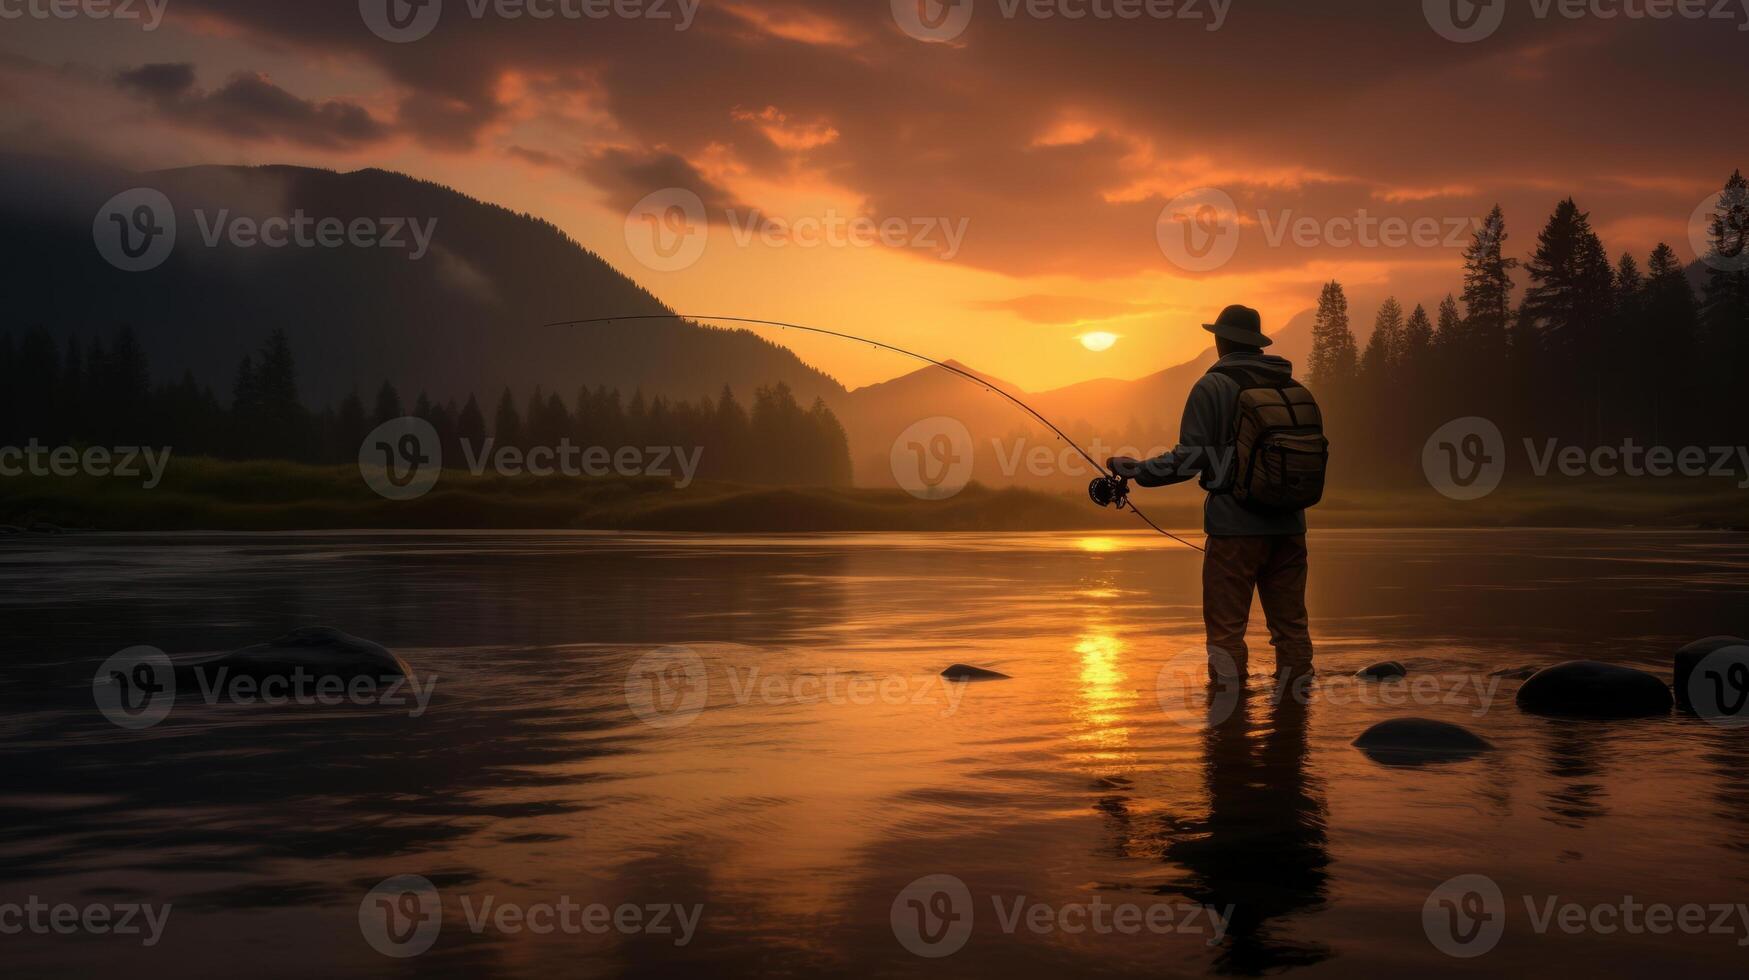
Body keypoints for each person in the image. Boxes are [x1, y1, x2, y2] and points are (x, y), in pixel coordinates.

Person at [1107, 304, 1316, 686]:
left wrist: (1139, 472)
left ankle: (1228, 725)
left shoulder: (1212, 386)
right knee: (1291, 629)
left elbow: (1190, 459)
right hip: (1290, 525)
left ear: (1220, 341)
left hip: (1234, 528)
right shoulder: (1291, 386)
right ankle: (1296, 721)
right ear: (1256, 344)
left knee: (1226, 634)